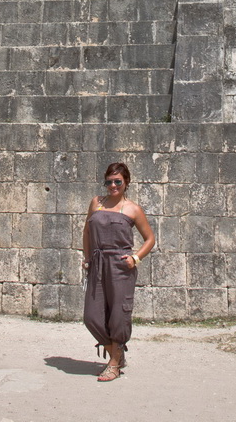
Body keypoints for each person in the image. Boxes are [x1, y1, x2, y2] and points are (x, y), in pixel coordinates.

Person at [81, 161, 156, 382]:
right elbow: (87, 231)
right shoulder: (96, 203)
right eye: (109, 181)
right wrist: (86, 258)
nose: (112, 185)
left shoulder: (133, 209)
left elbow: (150, 239)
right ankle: (117, 353)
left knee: (118, 316)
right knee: (91, 316)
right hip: (97, 262)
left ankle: (113, 364)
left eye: (117, 182)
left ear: (126, 183)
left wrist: (135, 258)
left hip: (121, 265)